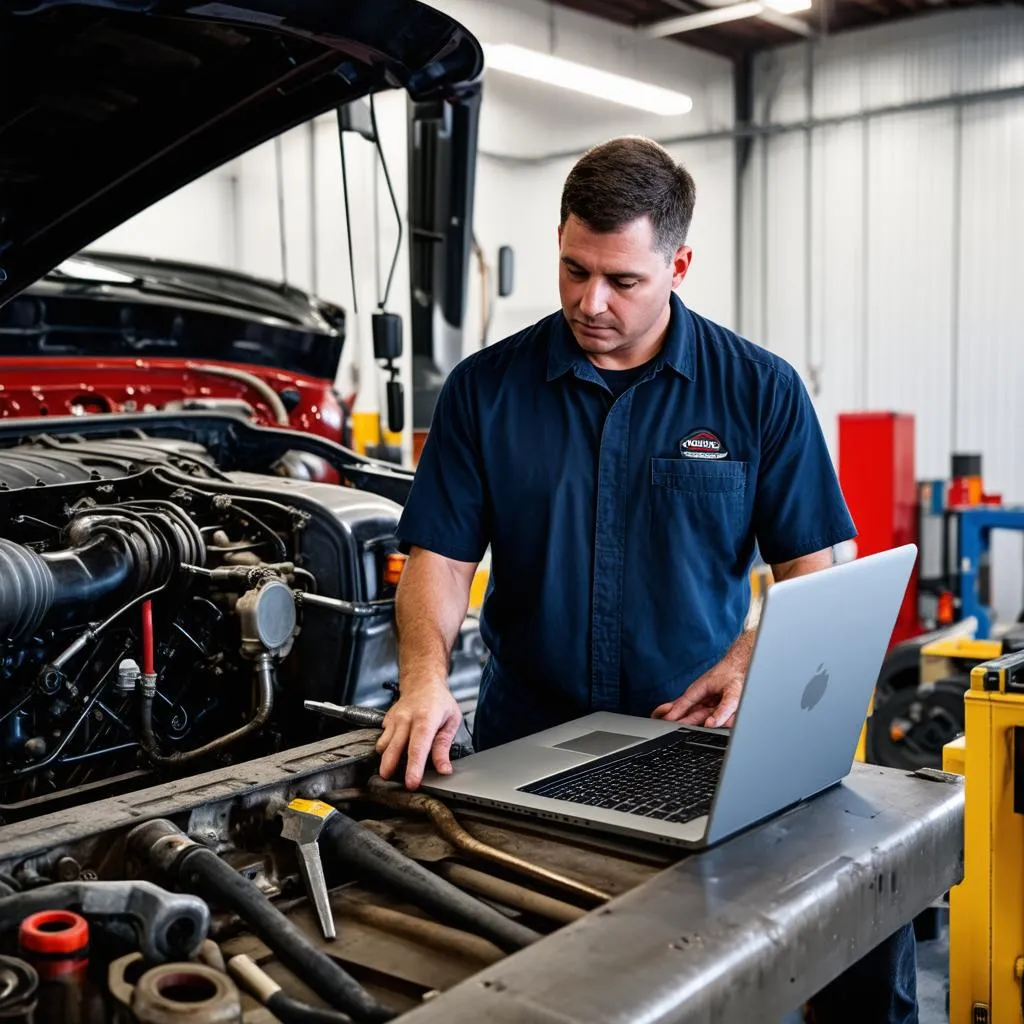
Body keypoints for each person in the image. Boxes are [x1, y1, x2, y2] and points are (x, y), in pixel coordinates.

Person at [377, 135, 918, 1024]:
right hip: (525, 751)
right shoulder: (485, 393)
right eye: (573, 269)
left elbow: (816, 569)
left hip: (700, 751)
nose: (591, 303)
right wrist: (425, 682)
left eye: (622, 280)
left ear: (680, 263)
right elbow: (438, 560)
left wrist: (753, 656)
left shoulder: (759, 392)